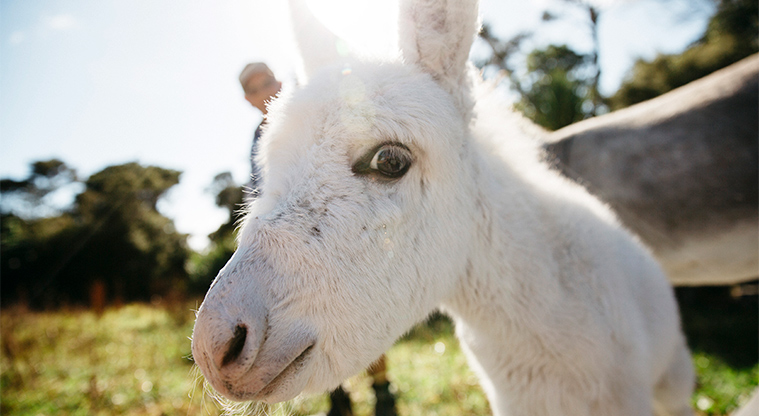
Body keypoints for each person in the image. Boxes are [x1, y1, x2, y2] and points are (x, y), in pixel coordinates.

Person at [239, 62, 282, 199]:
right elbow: (256, 188)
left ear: (279, 84)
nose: (264, 93)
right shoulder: (257, 138)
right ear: (248, 99)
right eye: (254, 90)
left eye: (267, 83)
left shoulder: (307, 118)